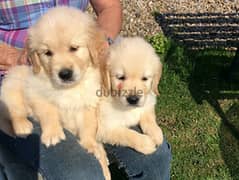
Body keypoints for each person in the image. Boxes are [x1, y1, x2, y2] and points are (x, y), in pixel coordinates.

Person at [0, 0, 172, 179]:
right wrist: (13, 56)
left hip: (88, 82)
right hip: (22, 85)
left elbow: (109, 6)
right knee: (83, 173)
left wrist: (101, 43)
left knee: (156, 158)